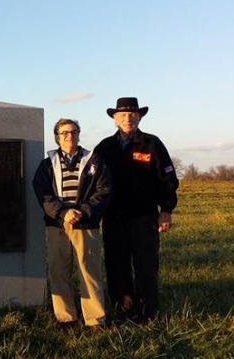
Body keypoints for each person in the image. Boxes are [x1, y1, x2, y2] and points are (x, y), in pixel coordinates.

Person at [95, 97, 179, 323]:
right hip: (113, 218)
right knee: (116, 263)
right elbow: (92, 182)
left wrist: (166, 210)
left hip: (144, 217)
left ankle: (147, 311)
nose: (127, 119)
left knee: (145, 264)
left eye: (132, 115)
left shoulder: (152, 144)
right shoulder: (104, 148)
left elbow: (168, 179)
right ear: (114, 119)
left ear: (139, 117)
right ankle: (123, 306)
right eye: (122, 115)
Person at [32, 119, 111, 330]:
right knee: (59, 272)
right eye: (64, 132)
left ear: (79, 134)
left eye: (74, 131)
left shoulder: (93, 160)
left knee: (89, 272)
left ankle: (95, 320)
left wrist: (83, 212)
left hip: (86, 225)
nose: (70, 135)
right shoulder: (47, 163)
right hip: (57, 225)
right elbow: (42, 193)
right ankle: (66, 318)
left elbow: (104, 191)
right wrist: (62, 212)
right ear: (57, 136)